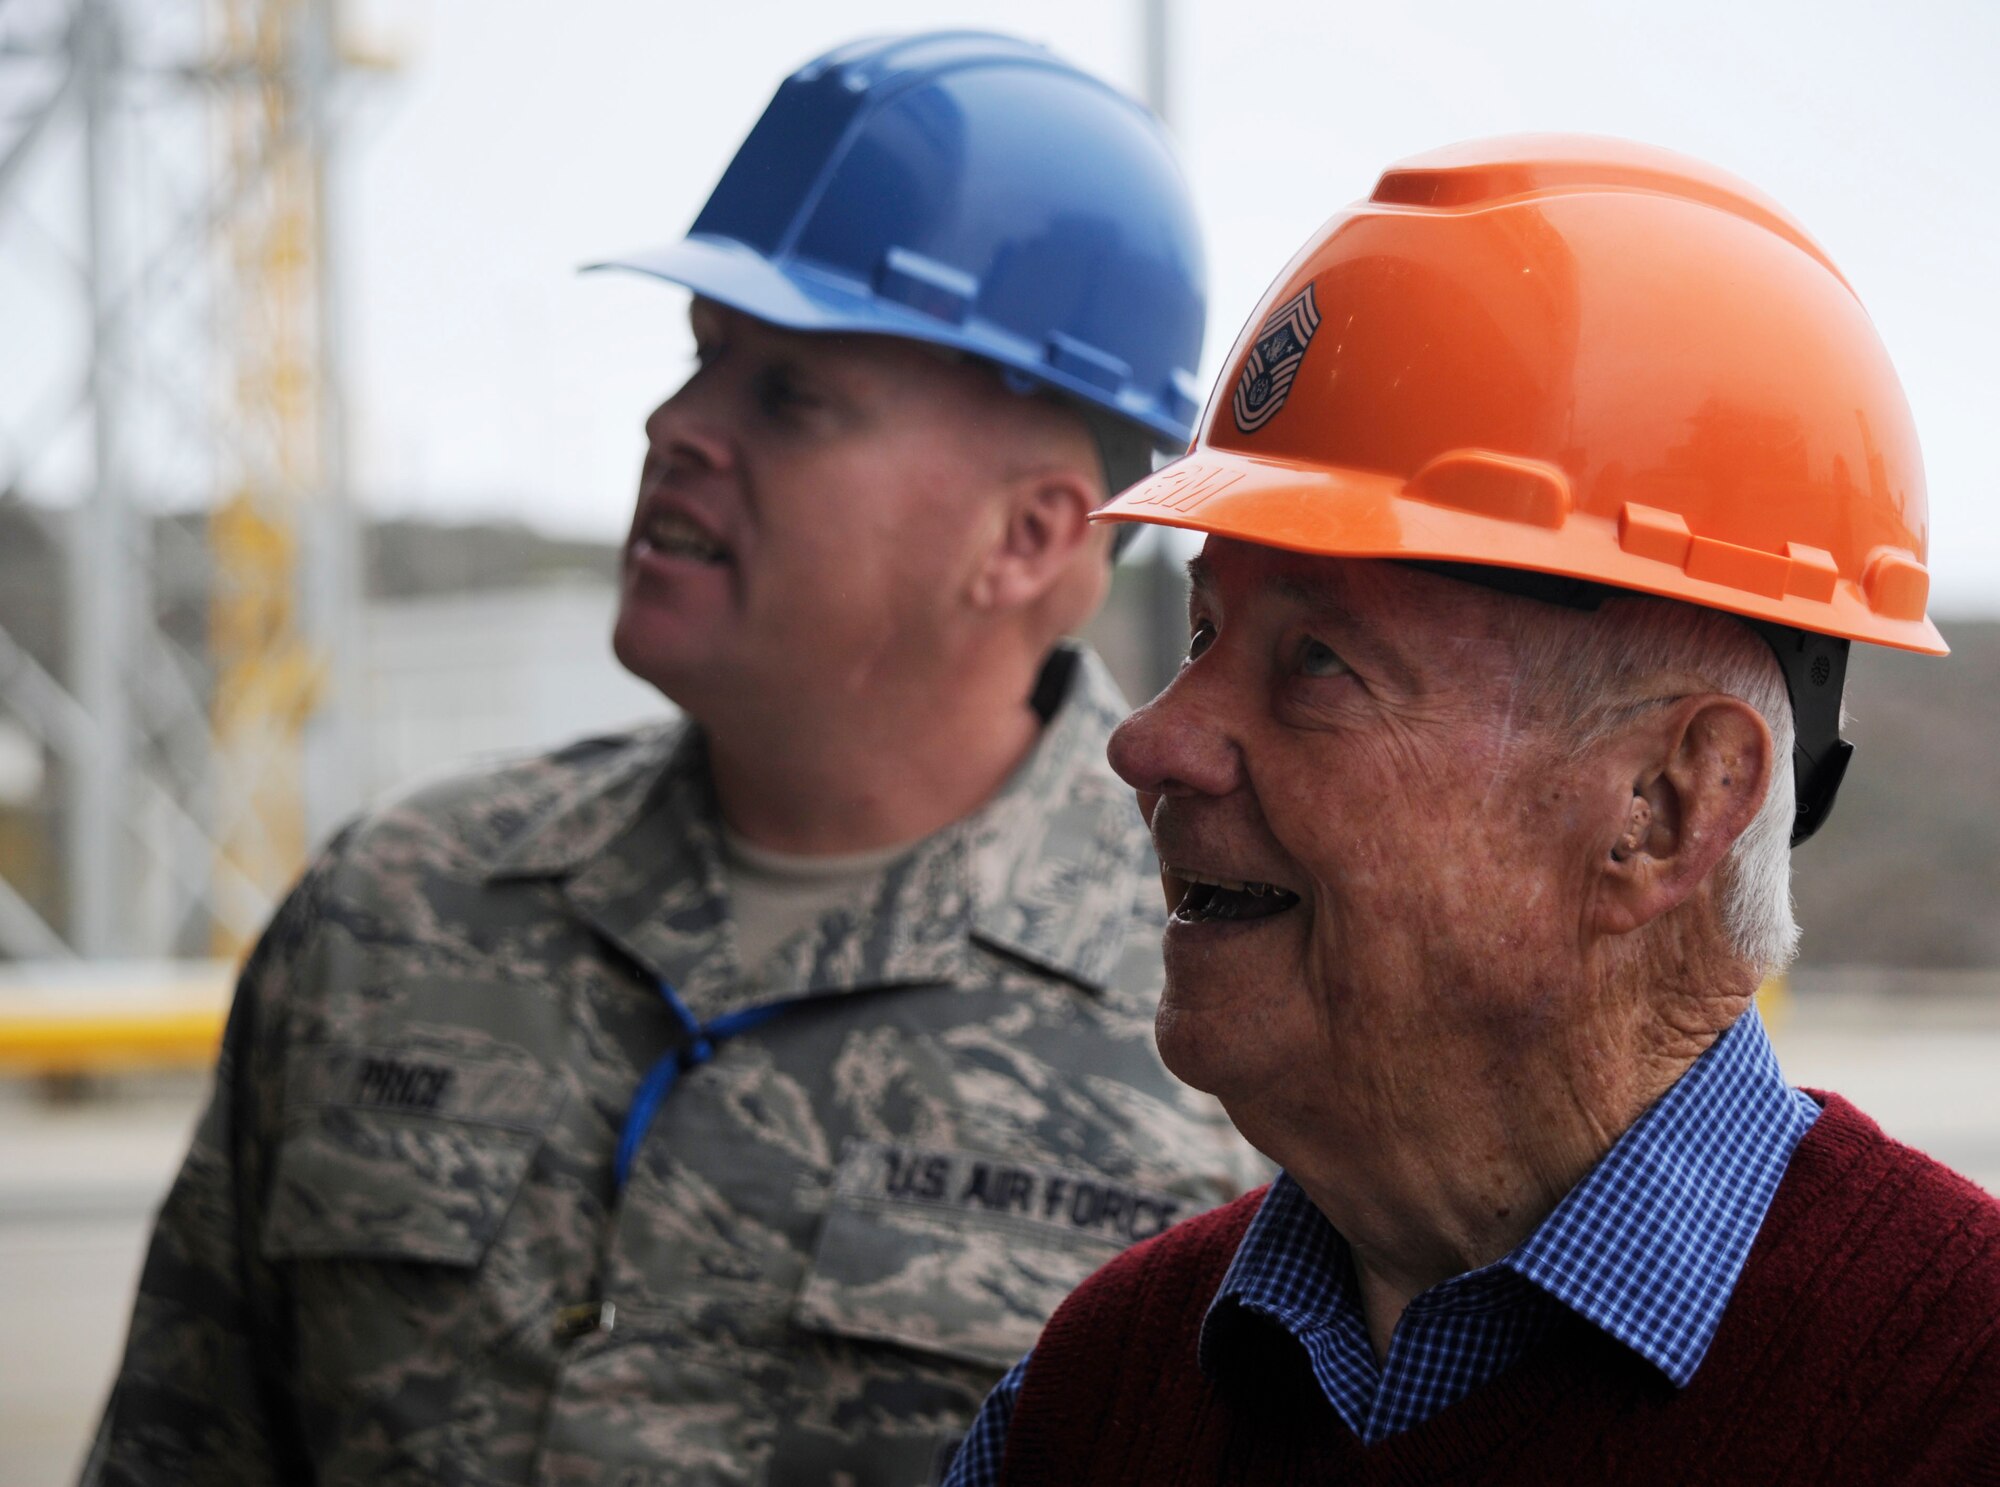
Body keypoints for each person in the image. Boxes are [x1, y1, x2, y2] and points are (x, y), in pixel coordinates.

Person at [84, 33, 1260, 1487]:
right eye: (704, 361)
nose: (673, 428)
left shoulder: (1230, 1026)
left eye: (789, 398)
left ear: (1027, 536)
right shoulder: (396, 911)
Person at [945, 135, 2000, 1485]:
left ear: (1667, 806)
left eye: (1317, 661)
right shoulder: (1102, 1395)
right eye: (1205, 631)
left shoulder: (1950, 1406)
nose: (1153, 739)